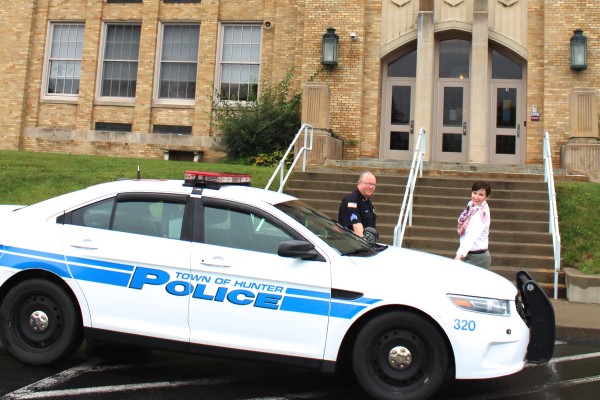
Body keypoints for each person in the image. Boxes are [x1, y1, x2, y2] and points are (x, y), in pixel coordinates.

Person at [455, 180, 492, 269]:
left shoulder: (481, 213)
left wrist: (459, 255)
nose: (476, 197)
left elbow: (471, 235)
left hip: (477, 257)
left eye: (481, 195)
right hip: (469, 254)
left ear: (487, 196)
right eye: (474, 193)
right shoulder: (471, 206)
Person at [338, 171, 377, 237]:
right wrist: (367, 244)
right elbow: (357, 228)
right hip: (354, 244)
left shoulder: (368, 202)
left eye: (373, 185)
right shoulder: (351, 201)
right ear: (359, 183)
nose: (370, 187)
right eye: (368, 184)